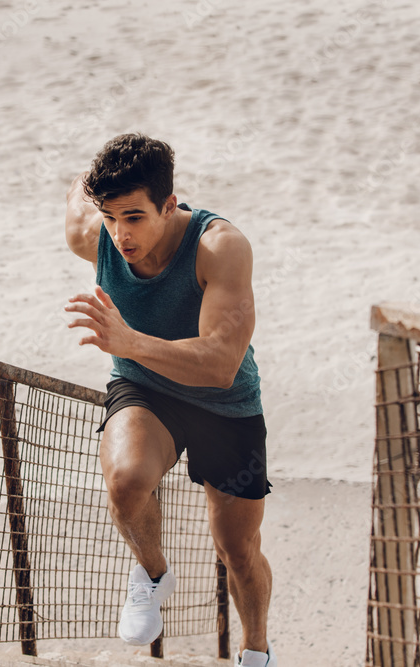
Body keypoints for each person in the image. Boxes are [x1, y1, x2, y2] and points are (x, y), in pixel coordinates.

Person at [62, 133, 275, 667]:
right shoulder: (91, 233)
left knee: (238, 552)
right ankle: (153, 575)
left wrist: (128, 341)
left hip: (223, 404)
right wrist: (97, 174)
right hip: (145, 389)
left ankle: (257, 652)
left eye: (134, 216)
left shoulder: (219, 246)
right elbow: (77, 197)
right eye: (110, 217)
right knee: (126, 481)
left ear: (170, 204)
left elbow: (221, 365)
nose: (120, 234)